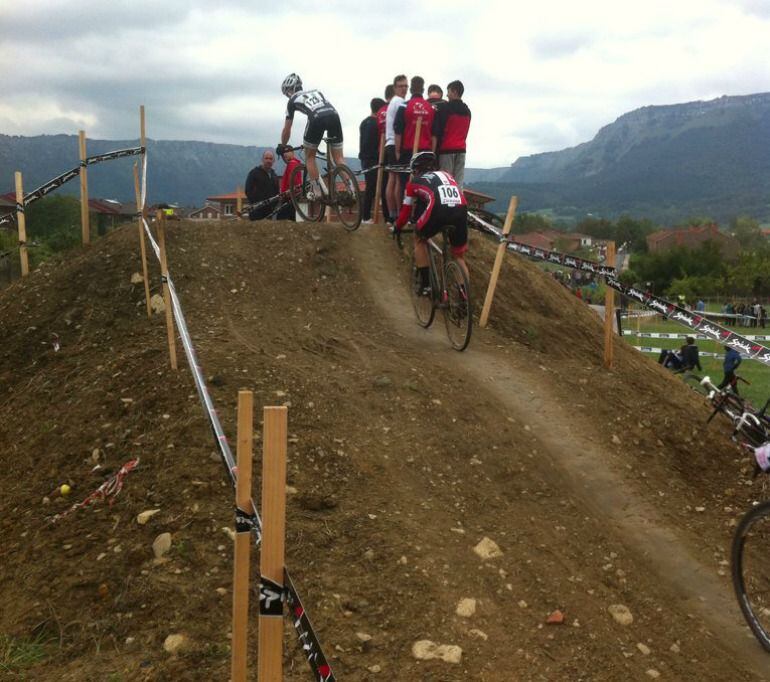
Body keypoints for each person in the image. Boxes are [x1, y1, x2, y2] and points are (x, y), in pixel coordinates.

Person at [393, 151, 469, 294]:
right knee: (458, 256)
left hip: (439, 208)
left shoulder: (413, 183)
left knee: (418, 237)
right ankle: (464, 298)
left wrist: (397, 226)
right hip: (461, 208)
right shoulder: (447, 175)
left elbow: (406, 211)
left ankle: (426, 285)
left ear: (415, 169)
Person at [279, 73, 344, 200]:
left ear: (290, 90)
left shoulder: (292, 101)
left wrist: (283, 145)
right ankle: (351, 189)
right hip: (334, 115)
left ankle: (317, 191)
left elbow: (287, 129)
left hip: (316, 118)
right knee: (339, 158)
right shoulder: (317, 91)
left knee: (309, 157)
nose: (287, 96)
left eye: (286, 93)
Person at [432, 80, 471, 189]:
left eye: (448, 92)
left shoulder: (445, 109)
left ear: (454, 92)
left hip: (446, 150)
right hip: (461, 149)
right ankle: (459, 204)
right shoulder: (467, 111)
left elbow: (438, 131)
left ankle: (446, 205)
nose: (447, 95)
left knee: (445, 182)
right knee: (458, 182)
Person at [394, 76, 435, 170]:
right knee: (423, 182)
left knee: (405, 183)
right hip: (425, 153)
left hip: (408, 151)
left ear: (411, 89)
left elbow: (398, 131)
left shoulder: (404, 106)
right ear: (423, 90)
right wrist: (432, 153)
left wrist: (397, 152)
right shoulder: (431, 108)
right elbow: (434, 134)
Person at [385, 74, 409, 225]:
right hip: (396, 144)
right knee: (398, 180)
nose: (404, 89)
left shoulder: (392, 102)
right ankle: (399, 214)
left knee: (392, 179)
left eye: (406, 86)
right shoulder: (400, 101)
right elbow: (401, 126)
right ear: (395, 88)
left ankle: (392, 214)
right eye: (401, 86)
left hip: (389, 143)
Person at [359, 97, 386, 223]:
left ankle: (366, 217)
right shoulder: (376, 124)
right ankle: (366, 217)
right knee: (376, 188)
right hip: (374, 160)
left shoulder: (364, 122)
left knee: (370, 188)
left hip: (365, 159)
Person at [245, 149, 280, 220]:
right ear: (262, 160)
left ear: (273, 161)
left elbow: (277, 192)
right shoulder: (254, 173)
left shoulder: (274, 176)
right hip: (256, 211)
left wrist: (273, 205)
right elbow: (248, 190)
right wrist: (255, 203)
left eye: (270, 159)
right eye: (266, 158)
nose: (268, 161)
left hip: (269, 212)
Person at [276, 144, 301, 221]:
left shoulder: (292, 164)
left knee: (281, 220)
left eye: (287, 152)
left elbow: (294, 181)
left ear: (293, 153)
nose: (285, 155)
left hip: (289, 198)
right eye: (283, 155)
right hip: (293, 198)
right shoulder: (296, 164)